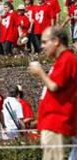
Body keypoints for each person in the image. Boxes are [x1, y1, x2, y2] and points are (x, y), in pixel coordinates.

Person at [29, 26, 77, 160]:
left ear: (56, 41)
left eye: (45, 42)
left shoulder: (67, 59)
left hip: (56, 121)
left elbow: (54, 86)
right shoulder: (64, 60)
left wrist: (40, 72)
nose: (42, 46)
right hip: (54, 121)